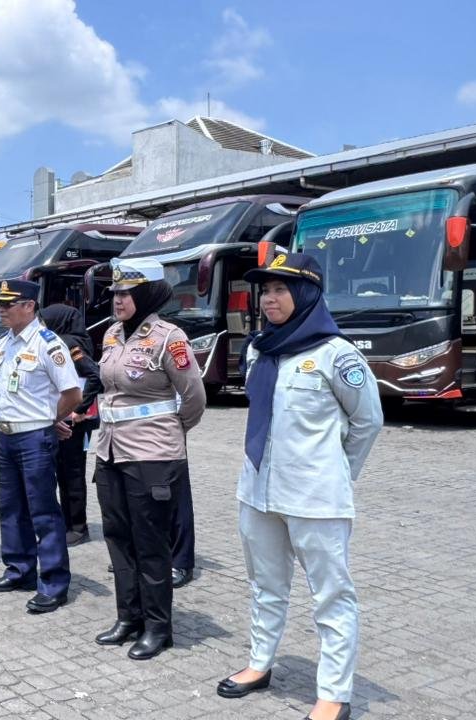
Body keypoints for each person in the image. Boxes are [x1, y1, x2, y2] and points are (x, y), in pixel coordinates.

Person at [216, 253, 382, 720]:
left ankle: (333, 692)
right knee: (265, 584)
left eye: (280, 290)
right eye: (264, 290)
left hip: (315, 497)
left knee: (331, 594)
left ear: (306, 294)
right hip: (257, 490)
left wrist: (333, 472)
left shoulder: (336, 354)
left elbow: (368, 422)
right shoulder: (259, 349)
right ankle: (259, 663)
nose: (268, 298)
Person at [92, 257, 206, 660]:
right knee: (118, 538)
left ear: (145, 294)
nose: (117, 299)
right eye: (115, 293)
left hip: (152, 456)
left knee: (150, 542)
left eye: (125, 293)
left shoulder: (168, 337)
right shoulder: (111, 335)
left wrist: (169, 436)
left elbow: (194, 397)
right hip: (109, 451)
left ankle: (159, 627)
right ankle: (129, 617)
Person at [0, 281, 82, 614]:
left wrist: (47, 418)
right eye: (0, 303)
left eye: (8, 303)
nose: (1, 308)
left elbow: (72, 393)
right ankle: (19, 569)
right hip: (6, 435)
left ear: (29, 305)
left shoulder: (47, 344)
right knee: (11, 508)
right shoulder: (7, 342)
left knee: (43, 511)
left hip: (34, 438)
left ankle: (53, 583)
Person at [40, 304, 102, 547]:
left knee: (72, 475)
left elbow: (95, 376)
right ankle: (67, 523)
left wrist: (79, 409)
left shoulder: (70, 343)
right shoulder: (65, 340)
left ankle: (78, 526)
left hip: (75, 422)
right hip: (65, 418)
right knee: (63, 474)